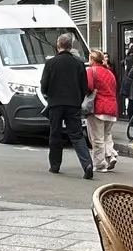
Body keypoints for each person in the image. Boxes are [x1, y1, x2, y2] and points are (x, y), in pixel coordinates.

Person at [40, 32, 94, 178]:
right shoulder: (78, 63)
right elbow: (84, 86)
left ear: (58, 45)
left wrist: (49, 95)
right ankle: (87, 164)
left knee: (55, 134)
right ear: (71, 47)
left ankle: (55, 165)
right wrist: (78, 99)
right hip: (73, 104)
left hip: (55, 104)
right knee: (76, 135)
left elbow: (43, 85)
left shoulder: (50, 63)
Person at [85, 49, 120, 171]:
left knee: (97, 138)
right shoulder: (109, 72)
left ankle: (100, 164)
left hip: (98, 107)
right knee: (107, 135)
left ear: (93, 60)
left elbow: (88, 87)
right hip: (112, 108)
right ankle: (111, 155)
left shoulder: (91, 71)